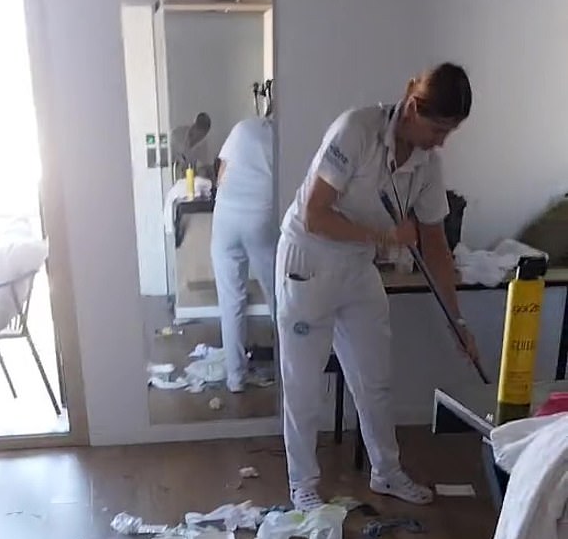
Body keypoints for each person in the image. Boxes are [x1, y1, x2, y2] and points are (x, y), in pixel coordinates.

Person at [276, 62, 479, 511]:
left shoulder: (427, 165)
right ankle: (303, 484)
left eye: (450, 131)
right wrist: (386, 237)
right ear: (411, 106)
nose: (441, 140)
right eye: (437, 127)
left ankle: (386, 472)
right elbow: (316, 214)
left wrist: (456, 319)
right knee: (304, 384)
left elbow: (435, 245)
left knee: (375, 379)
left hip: (357, 263)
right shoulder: (356, 130)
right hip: (307, 259)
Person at [211, 110, 276, 392]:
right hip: (261, 217)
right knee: (279, 297)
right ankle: (288, 373)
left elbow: (221, 173)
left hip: (225, 216)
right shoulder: (287, 137)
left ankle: (236, 378)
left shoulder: (243, 127)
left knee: (231, 300)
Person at [171, 112, 212, 179]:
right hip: (172, 175)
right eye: (199, 135)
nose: (200, 138)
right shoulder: (176, 135)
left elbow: (205, 167)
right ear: (194, 127)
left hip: (188, 180)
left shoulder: (204, 145)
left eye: (203, 136)